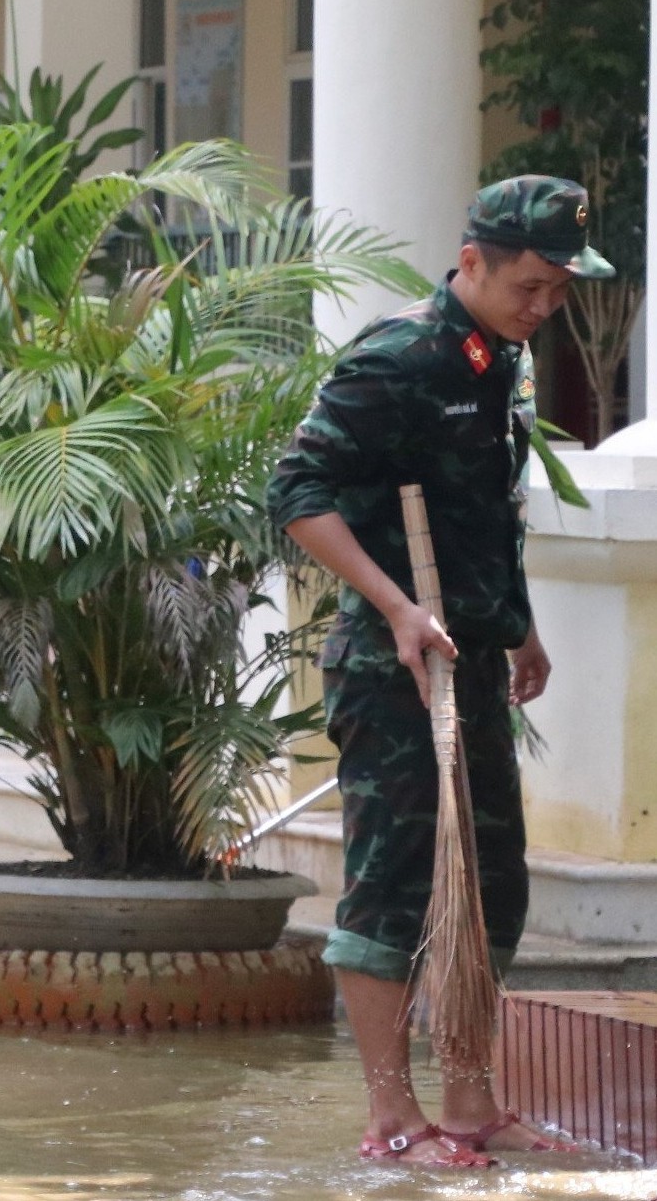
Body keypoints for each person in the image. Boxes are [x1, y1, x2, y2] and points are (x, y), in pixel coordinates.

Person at [267, 176, 607, 1167]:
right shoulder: (398, 356)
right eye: (530, 285)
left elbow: (483, 514)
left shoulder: (503, 357)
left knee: (488, 884)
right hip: (393, 668)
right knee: (395, 889)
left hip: (473, 656)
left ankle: (467, 1104)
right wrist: (394, 606)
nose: (543, 306)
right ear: (471, 261)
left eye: (556, 290)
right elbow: (296, 490)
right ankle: (389, 1118)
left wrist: (518, 625)